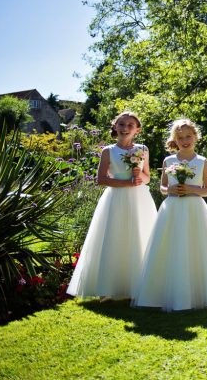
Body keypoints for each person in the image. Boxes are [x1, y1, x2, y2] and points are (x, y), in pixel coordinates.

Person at [133, 119, 207, 311]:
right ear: (175, 140)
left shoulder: (202, 161)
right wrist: (170, 189)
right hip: (173, 209)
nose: (185, 141)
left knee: (195, 247)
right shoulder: (168, 161)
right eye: (180, 138)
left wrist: (190, 189)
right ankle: (164, 293)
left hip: (194, 210)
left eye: (188, 136)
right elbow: (162, 187)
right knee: (171, 247)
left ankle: (200, 293)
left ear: (195, 137)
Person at [67, 111, 157, 300]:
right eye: (122, 124)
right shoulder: (109, 151)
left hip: (139, 199)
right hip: (116, 198)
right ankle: (107, 287)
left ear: (137, 130)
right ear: (115, 127)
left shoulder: (143, 149)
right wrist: (126, 183)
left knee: (139, 235)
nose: (125, 128)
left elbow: (147, 178)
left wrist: (138, 174)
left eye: (130, 125)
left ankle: (137, 286)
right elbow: (101, 179)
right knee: (114, 237)